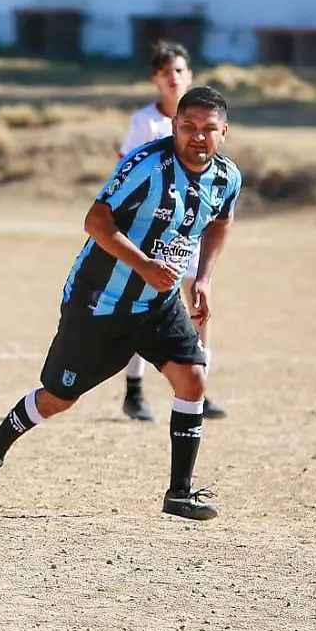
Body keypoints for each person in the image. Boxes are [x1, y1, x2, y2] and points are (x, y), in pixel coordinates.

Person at [0, 86, 241, 522]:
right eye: (188, 126)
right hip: (100, 301)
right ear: (174, 126)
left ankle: (179, 493)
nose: (198, 137)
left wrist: (203, 277)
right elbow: (96, 221)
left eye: (209, 129)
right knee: (58, 398)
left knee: (193, 380)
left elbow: (221, 220)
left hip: (158, 303)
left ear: (224, 132)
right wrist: (145, 265)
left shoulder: (226, 177)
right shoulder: (147, 165)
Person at [116, 41, 225, 421]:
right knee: (144, 305)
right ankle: (134, 391)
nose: (173, 78)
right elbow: (126, 168)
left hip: (191, 227)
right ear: (155, 79)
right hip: (151, 230)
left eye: (179, 70)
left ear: (190, 75)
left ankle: (200, 386)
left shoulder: (205, 120)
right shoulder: (146, 122)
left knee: (198, 303)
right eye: (166, 73)